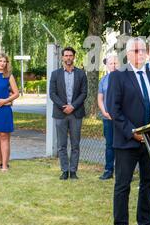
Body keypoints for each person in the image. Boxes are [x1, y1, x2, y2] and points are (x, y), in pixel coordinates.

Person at [107, 37, 150, 225]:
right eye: (136, 51)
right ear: (128, 53)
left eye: (143, 50)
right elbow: (114, 110)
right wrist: (132, 132)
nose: (140, 54)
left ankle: (145, 220)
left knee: (149, 181)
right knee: (123, 184)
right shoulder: (118, 76)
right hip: (127, 140)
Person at [49, 47, 88, 180]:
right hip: (60, 113)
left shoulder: (81, 74)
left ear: (74, 57)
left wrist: (73, 106)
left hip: (76, 113)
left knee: (75, 144)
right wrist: (63, 106)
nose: (68, 58)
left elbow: (84, 93)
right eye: (66, 55)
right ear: (62, 57)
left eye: (70, 55)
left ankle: (73, 171)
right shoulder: (55, 74)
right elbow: (52, 93)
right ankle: (64, 170)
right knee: (61, 145)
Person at [97, 53, 119, 180]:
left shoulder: (125, 78)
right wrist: (104, 112)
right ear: (107, 65)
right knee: (109, 145)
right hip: (107, 118)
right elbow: (100, 99)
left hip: (121, 118)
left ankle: (123, 171)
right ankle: (108, 170)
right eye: (111, 63)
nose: (114, 65)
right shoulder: (103, 81)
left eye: (116, 63)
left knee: (123, 145)